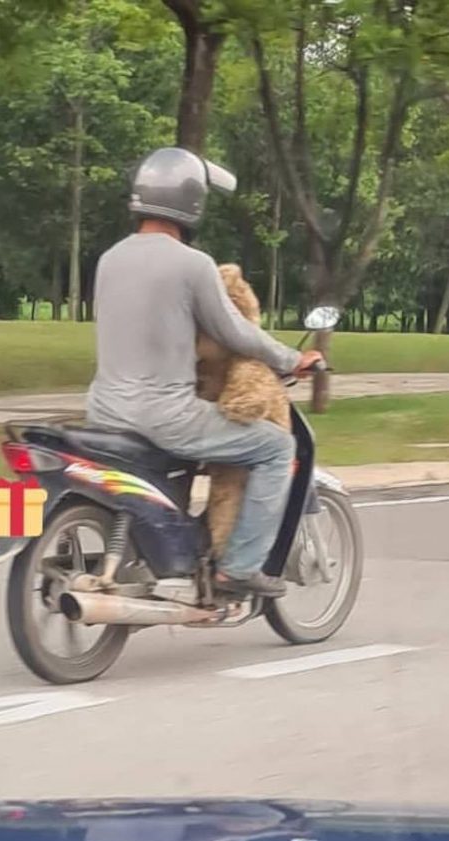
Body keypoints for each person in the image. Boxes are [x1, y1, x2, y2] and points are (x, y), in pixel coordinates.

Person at [86, 146, 322, 599]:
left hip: (104, 410)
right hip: (165, 417)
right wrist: (292, 360)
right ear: (191, 202)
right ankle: (236, 569)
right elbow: (235, 333)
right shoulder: (193, 265)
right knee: (276, 448)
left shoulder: (110, 258)